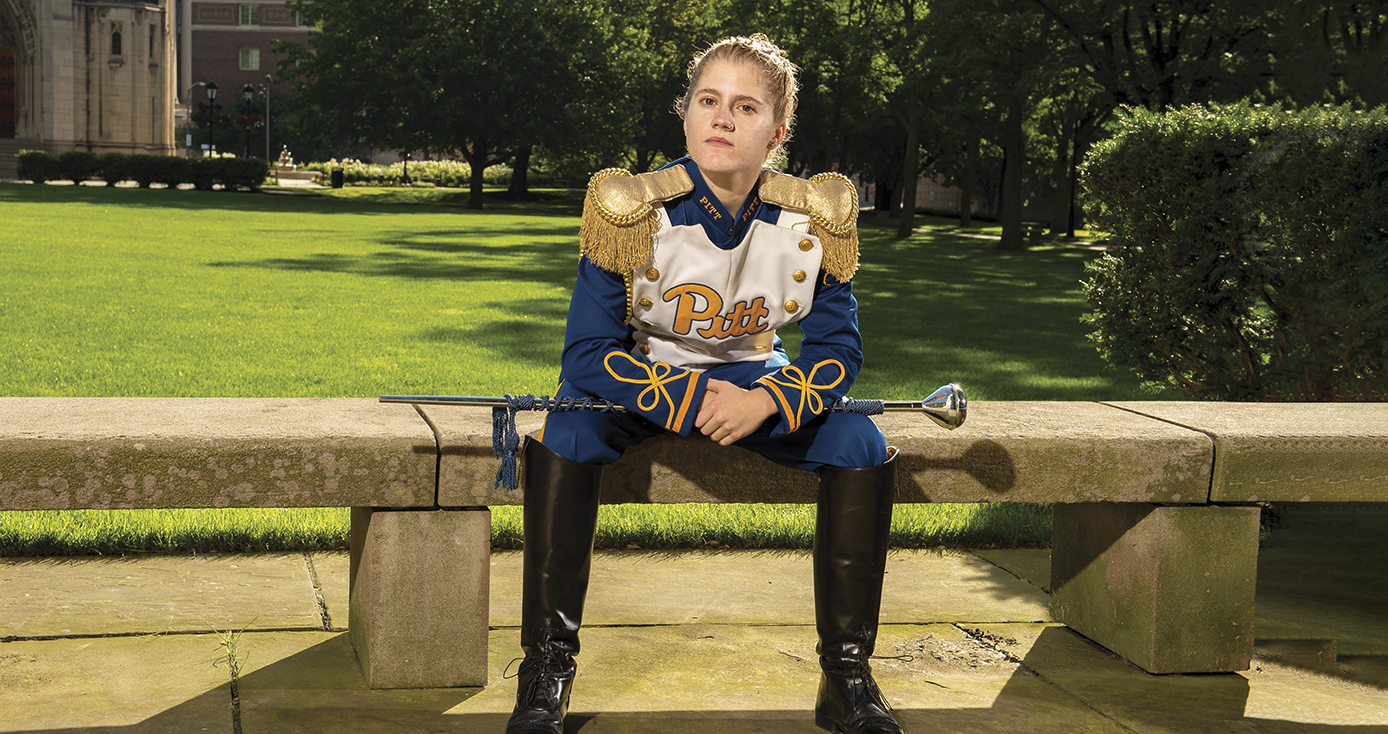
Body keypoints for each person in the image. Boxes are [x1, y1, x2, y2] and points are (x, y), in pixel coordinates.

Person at [506, 34, 905, 734]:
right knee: (565, 433)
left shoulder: (815, 216)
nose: (722, 118)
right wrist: (689, 400)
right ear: (685, 115)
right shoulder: (628, 207)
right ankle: (547, 669)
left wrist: (766, 401)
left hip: (757, 378)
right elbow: (588, 353)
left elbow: (839, 351)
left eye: (745, 106)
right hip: (644, 375)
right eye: (708, 101)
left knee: (861, 444)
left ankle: (846, 677)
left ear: (777, 132)